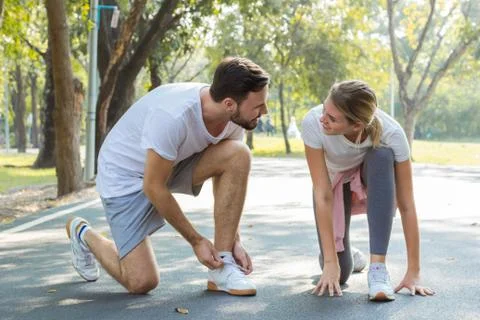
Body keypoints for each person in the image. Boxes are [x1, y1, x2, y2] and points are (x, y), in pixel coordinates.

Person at [66, 57, 270, 296]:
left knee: (238, 155)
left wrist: (234, 241)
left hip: (173, 162)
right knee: (141, 281)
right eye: (259, 106)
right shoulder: (173, 116)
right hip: (125, 175)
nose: (264, 112)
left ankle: (222, 270)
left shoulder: (234, 119)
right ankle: (82, 233)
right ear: (229, 104)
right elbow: (153, 186)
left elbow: (227, 177)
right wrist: (196, 240)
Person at [301, 80, 435, 301]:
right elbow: (322, 194)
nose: (323, 118)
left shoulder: (392, 133)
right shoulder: (313, 123)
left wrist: (414, 271)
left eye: (332, 118)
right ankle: (349, 255)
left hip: (369, 178)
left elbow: (407, 205)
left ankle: (377, 269)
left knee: (381, 155)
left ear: (357, 125)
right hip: (334, 184)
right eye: (325, 109)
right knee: (340, 273)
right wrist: (330, 262)